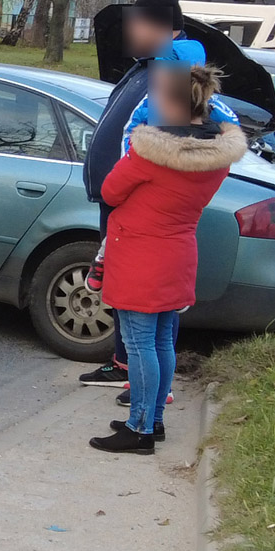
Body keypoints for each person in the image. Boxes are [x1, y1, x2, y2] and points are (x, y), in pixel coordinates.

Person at [90, 65, 244, 453]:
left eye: (158, 97)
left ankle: (139, 427)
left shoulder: (151, 153)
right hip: (177, 253)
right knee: (161, 342)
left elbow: (110, 190)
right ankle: (153, 418)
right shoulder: (216, 155)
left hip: (140, 255)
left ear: (175, 105)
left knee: (140, 344)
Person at [79, 0, 207, 390]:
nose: (131, 32)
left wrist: (123, 183)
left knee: (147, 304)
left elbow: (161, 142)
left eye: (140, 24)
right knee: (126, 293)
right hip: (121, 196)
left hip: (137, 201)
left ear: (164, 27)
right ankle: (126, 366)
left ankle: (144, 401)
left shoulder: (175, 72)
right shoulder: (146, 65)